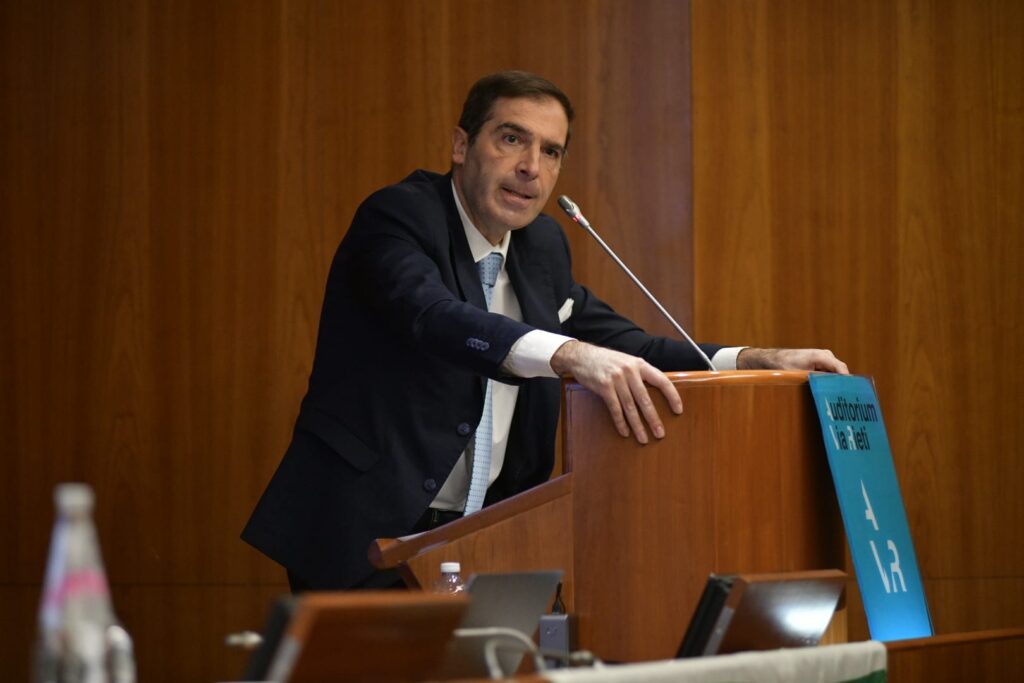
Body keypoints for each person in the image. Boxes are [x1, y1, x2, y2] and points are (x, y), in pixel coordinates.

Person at [241, 71, 848, 591]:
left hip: (484, 540)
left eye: (551, 152)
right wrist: (569, 355)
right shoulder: (400, 215)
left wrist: (754, 359)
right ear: (461, 145)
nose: (531, 167)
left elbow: (627, 346)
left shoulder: (541, 245)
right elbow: (433, 317)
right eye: (512, 139)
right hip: (363, 530)